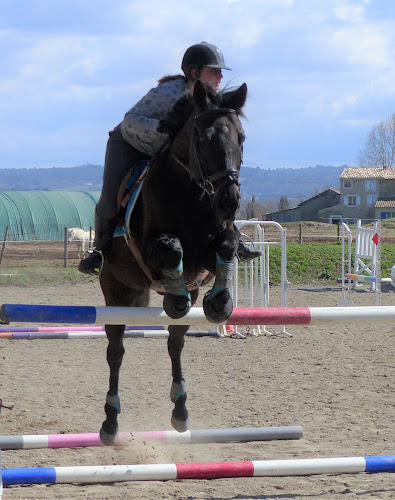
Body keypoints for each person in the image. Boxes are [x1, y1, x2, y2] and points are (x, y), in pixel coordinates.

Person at [79, 41, 262, 274]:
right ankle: (100, 249)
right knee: (110, 196)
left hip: (166, 151)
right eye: (213, 71)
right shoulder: (168, 93)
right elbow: (130, 119)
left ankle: (233, 235)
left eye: (220, 72)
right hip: (131, 142)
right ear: (194, 72)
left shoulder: (211, 103)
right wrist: (162, 128)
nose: (219, 77)